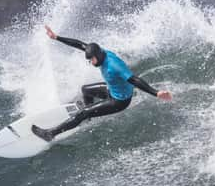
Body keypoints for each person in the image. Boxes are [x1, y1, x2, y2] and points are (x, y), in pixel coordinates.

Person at [31, 25, 172, 142]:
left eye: (91, 60)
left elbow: (134, 79)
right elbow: (80, 44)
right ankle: (89, 114)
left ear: (98, 56)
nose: (91, 62)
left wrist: (156, 93)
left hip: (119, 101)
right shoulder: (100, 52)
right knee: (85, 89)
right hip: (112, 90)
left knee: (82, 113)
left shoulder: (113, 65)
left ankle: (51, 134)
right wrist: (56, 37)